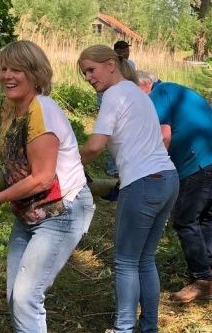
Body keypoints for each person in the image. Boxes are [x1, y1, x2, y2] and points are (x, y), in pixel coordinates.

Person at [0, 40, 95, 332]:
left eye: (17, 70)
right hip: (30, 213)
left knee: (26, 298)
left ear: (36, 74)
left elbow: (42, 178)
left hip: (62, 212)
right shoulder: (12, 111)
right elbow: (17, 165)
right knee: (15, 296)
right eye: (4, 69)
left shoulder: (42, 110)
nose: (7, 76)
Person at [77, 45, 178, 333]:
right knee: (144, 259)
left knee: (125, 262)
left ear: (110, 64)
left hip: (144, 183)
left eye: (91, 70)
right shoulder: (139, 93)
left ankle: (123, 329)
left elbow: (95, 145)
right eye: (84, 72)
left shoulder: (114, 94)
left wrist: (68, 165)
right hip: (168, 179)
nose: (87, 77)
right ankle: (148, 328)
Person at [136, 71, 212, 303]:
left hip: (204, 162)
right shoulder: (180, 90)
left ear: (143, 85)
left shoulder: (158, 93)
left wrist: (149, 172)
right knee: (205, 215)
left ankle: (203, 281)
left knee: (185, 220)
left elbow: (163, 138)